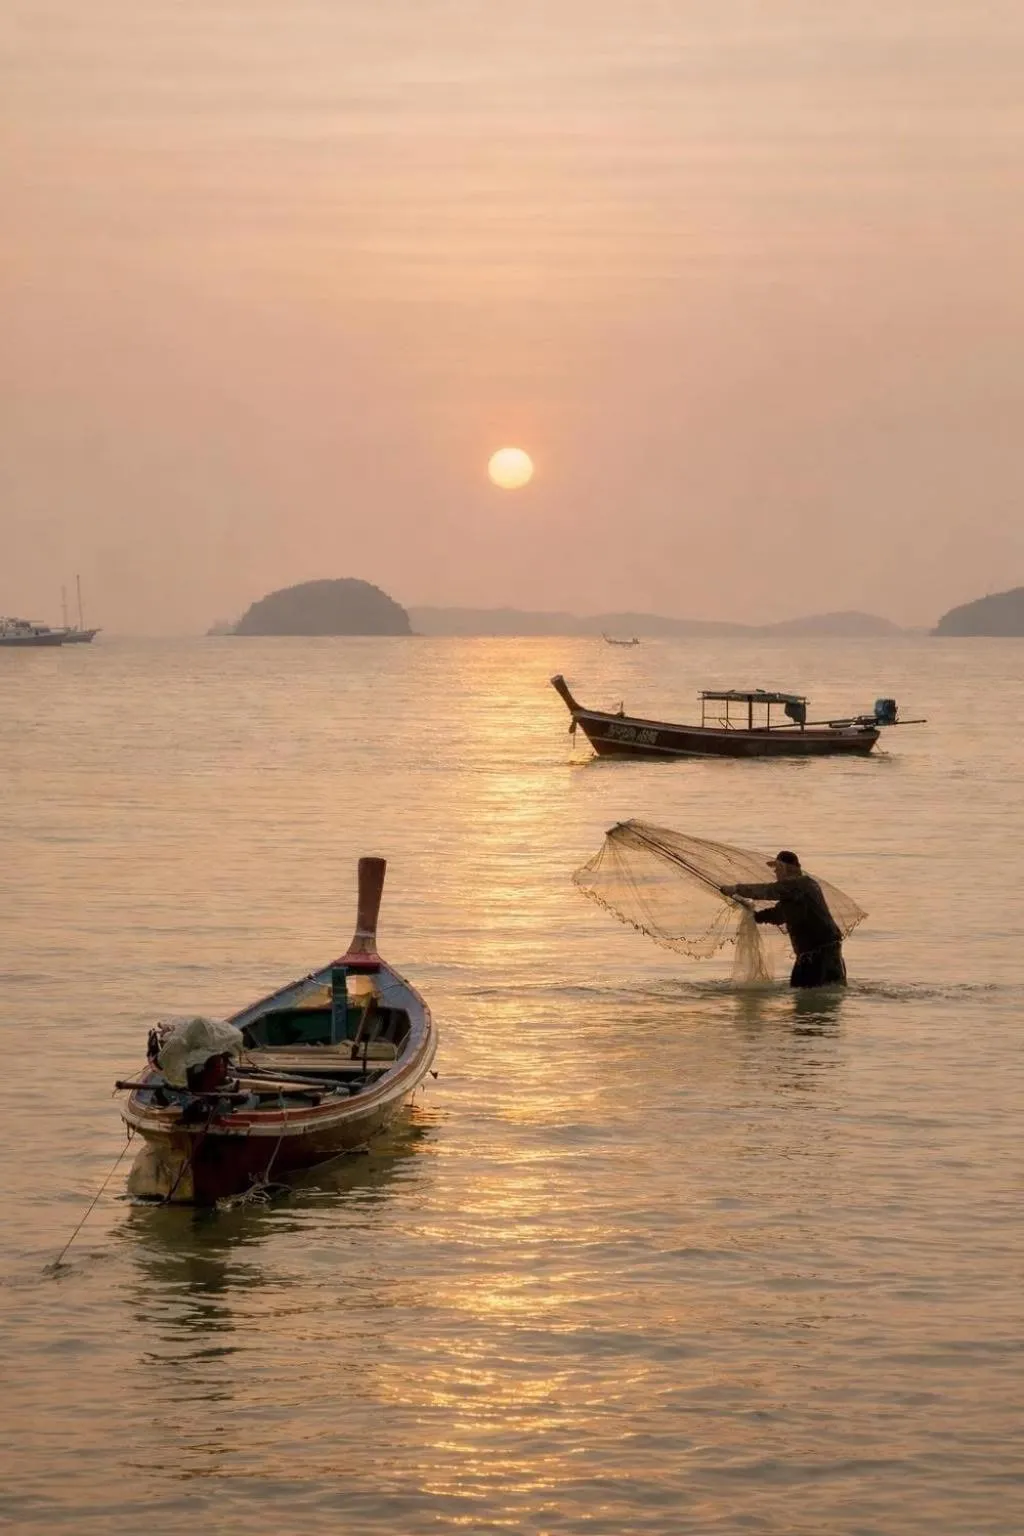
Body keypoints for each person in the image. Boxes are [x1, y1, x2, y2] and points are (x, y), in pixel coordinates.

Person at [721, 850, 847, 988]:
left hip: (819, 955)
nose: (776, 873)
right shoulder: (797, 889)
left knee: (809, 994)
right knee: (817, 992)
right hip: (820, 953)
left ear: (787, 868)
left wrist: (736, 889)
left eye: (778, 868)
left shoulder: (800, 883)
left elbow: (769, 891)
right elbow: (779, 914)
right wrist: (755, 915)